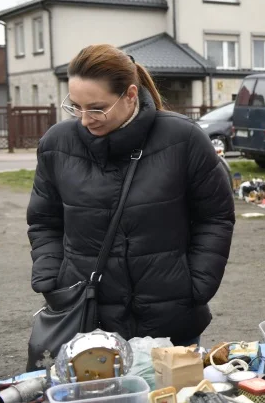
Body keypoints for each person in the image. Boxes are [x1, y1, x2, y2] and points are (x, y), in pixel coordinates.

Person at [27, 44, 235, 353]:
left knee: (173, 401)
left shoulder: (184, 139)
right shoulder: (57, 145)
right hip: (86, 322)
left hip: (171, 320)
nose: (85, 119)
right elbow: (44, 221)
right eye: (76, 106)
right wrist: (51, 278)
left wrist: (197, 284)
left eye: (97, 108)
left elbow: (215, 216)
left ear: (130, 95)